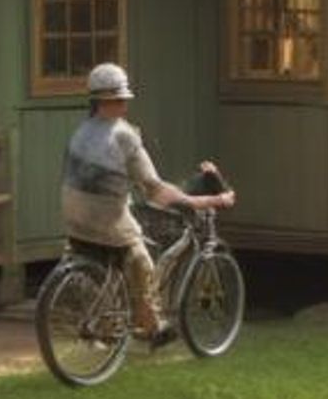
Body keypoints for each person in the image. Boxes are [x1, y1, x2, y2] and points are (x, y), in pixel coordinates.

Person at [60, 62, 235, 342]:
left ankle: (111, 318)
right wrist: (209, 200)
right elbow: (156, 191)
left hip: (73, 218)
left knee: (115, 255)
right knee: (142, 262)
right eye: (122, 101)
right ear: (117, 100)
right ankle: (152, 325)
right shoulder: (124, 135)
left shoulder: (80, 132)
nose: (125, 107)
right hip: (106, 219)